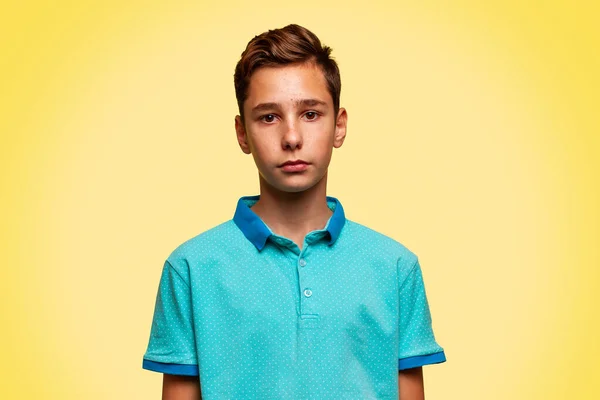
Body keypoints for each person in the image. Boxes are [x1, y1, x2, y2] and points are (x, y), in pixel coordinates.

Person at [142, 23, 446, 399]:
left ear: (340, 125)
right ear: (242, 133)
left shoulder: (395, 267)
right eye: (268, 117)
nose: (291, 137)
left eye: (311, 114)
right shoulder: (190, 269)